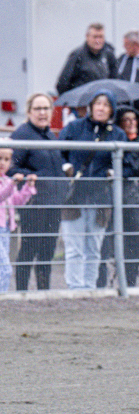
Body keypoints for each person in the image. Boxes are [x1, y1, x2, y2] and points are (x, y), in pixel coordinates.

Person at [59, 90, 127, 290]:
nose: (101, 108)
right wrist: (66, 167)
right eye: (97, 103)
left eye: (106, 105)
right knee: (74, 247)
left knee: (94, 248)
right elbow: (59, 153)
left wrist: (113, 170)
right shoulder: (73, 128)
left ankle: (89, 286)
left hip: (100, 197)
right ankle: (75, 286)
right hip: (74, 196)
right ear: (90, 106)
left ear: (112, 109)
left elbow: (127, 162)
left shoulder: (117, 134)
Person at [97, 106, 139, 288]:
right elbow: (125, 168)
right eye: (126, 120)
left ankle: (130, 284)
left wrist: (135, 167)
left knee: (136, 244)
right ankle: (116, 282)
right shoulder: (117, 143)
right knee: (118, 243)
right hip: (123, 201)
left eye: (134, 120)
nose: (131, 123)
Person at [9, 93, 69, 291]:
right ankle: (22, 293)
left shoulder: (50, 135)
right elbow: (9, 168)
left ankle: (44, 292)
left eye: (46, 108)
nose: (43, 113)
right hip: (34, 203)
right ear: (28, 112)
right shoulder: (22, 135)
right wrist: (31, 177)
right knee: (29, 248)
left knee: (47, 250)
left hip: (53, 202)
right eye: (38, 108)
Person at [0, 149, 37, 292]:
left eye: (6, 159)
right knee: (5, 269)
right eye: (0, 158)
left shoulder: (7, 180)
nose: (2, 163)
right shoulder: (9, 183)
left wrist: (28, 187)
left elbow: (16, 201)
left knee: (3, 267)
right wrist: (12, 184)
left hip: (6, 229)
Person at [56, 23, 118, 96]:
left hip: (101, 101)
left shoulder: (109, 55)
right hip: (82, 102)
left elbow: (115, 81)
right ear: (87, 37)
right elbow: (62, 83)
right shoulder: (77, 55)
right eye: (95, 37)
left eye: (101, 37)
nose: (98, 41)